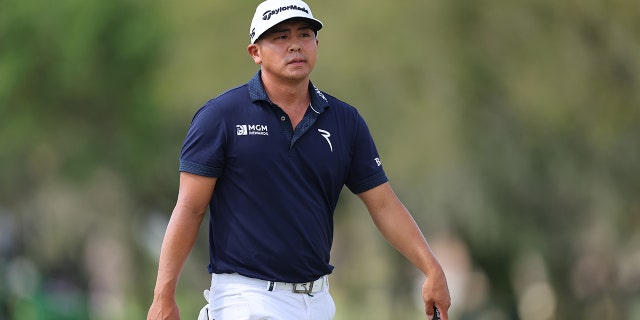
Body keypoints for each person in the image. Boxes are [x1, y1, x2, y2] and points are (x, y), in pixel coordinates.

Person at [147, 0, 451, 319]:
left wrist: (431, 268)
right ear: (255, 52)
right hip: (247, 298)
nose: (295, 44)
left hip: (317, 300)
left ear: (316, 44)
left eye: (304, 34)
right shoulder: (220, 117)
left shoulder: (345, 121)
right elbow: (189, 208)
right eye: (280, 37)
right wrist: (163, 295)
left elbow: (384, 205)